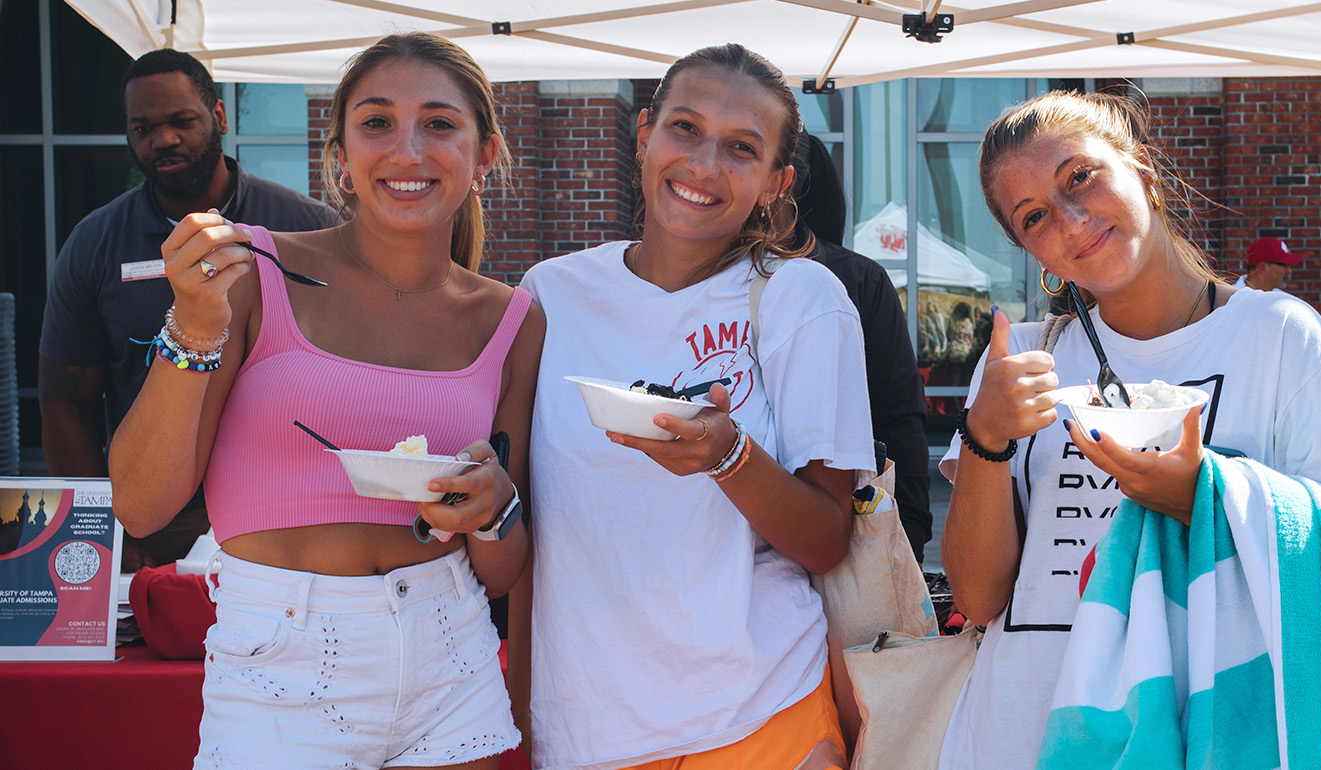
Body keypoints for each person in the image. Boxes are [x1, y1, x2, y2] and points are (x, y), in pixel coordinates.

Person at [107, 32, 543, 769]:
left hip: (450, 656)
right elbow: (142, 506)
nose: (407, 150)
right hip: (278, 664)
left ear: (485, 155)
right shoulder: (249, 271)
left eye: (439, 123)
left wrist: (493, 507)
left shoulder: (513, 319)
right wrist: (192, 326)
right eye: (376, 122)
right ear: (339, 156)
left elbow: (501, 572)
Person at [939, 90, 1321, 769]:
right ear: (1035, 254)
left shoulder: (1284, 340)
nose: (1070, 219)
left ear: (1143, 169)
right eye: (1034, 216)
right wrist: (985, 436)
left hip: (1207, 737)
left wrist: (1200, 494)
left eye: (1080, 178)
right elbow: (978, 598)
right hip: (1018, 735)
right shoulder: (1021, 361)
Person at [514, 44, 870, 770]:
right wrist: (525, 708)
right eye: (684, 128)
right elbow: (533, 526)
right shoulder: (550, 294)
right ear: (644, 134)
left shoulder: (803, 299)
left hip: (763, 713)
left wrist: (730, 457)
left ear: (777, 181)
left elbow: (828, 538)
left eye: (742, 148)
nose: (705, 165)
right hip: (588, 728)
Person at [40, 49, 339, 571]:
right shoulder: (95, 244)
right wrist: (104, 532)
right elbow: (65, 401)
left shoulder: (307, 228)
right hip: (157, 519)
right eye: (144, 128)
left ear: (219, 118)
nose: (164, 140)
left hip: (291, 508)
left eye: (182, 121)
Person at [792, 131, 933, 562]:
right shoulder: (706, 279)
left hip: (844, 535)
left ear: (787, 179)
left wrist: (908, 530)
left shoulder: (858, 281)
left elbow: (898, 417)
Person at [1233, 236, 1302, 291]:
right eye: (1284, 265)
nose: (1289, 271)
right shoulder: (1229, 301)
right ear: (1263, 268)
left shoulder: (1283, 300)